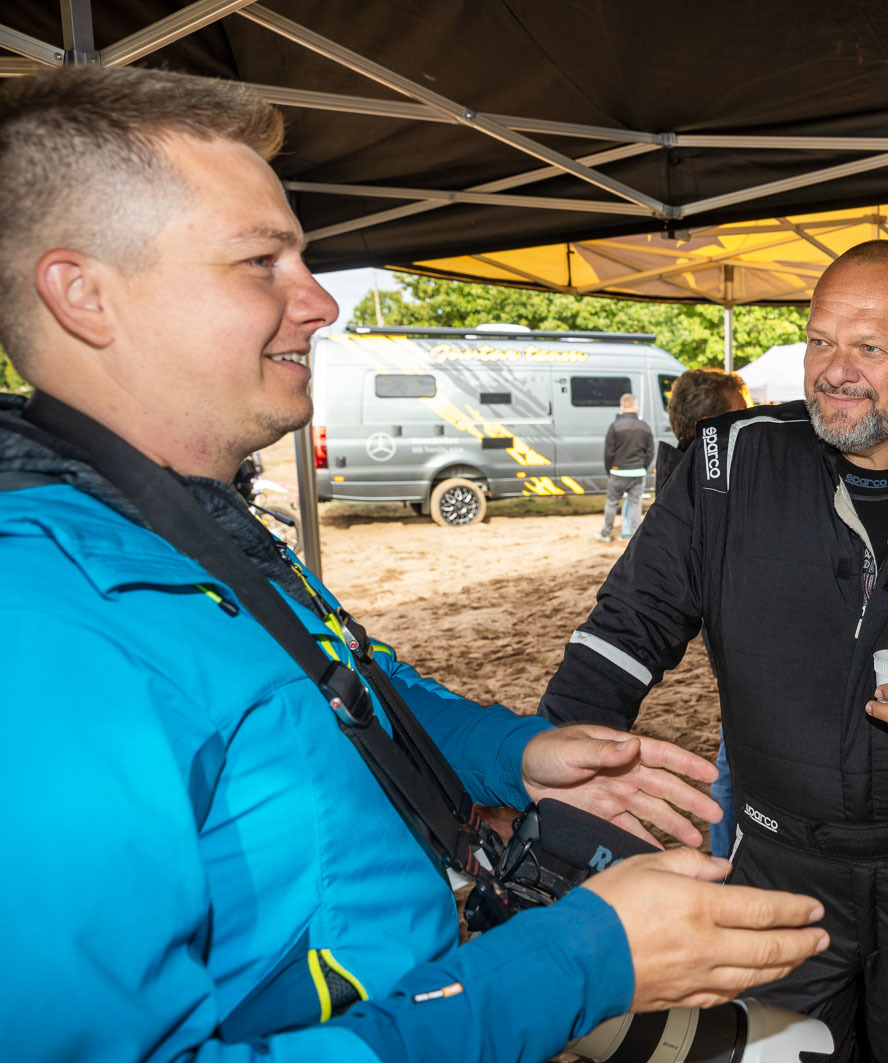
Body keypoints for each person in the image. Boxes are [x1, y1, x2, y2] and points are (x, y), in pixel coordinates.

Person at [0, 65, 829, 1062]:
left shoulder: (175, 524)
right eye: (261, 262)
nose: (320, 302)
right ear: (83, 295)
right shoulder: (39, 633)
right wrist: (581, 959)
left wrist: (513, 753)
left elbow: (336, 686)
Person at [539, 240, 888, 1061]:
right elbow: (624, 631)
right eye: (819, 340)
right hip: (775, 863)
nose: (834, 371)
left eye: (870, 347)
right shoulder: (727, 464)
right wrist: (555, 765)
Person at [655, 367, 752, 857]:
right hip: (740, 642)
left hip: (730, 641)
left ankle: (725, 854)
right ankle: (726, 860)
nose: (752, 422)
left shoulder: (684, 471)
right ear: (714, 424)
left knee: (735, 747)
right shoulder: (705, 483)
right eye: (742, 413)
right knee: (736, 751)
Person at [596, 392, 653, 543]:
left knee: (612, 503)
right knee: (635, 504)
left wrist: (610, 470)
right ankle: (635, 537)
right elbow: (650, 452)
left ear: (621, 407)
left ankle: (606, 534)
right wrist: (643, 467)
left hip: (618, 471)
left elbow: (608, 452)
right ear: (636, 407)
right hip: (637, 472)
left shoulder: (615, 426)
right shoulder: (645, 427)